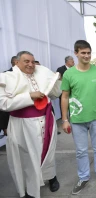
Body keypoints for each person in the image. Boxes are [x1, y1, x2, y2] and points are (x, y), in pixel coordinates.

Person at [0, 51, 61, 198]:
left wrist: (54, 83)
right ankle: (29, 190)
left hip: (46, 119)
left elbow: (54, 94)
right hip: (23, 124)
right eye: (26, 61)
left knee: (48, 152)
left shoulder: (41, 72)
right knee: (27, 157)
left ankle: (51, 176)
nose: (31, 64)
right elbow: (3, 103)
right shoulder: (6, 78)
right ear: (17, 63)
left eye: (33, 61)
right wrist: (29, 96)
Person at [61, 40, 96, 195]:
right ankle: (83, 177)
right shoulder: (69, 73)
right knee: (81, 151)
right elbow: (64, 97)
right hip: (77, 120)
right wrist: (64, 119)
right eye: (83, 53)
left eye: (89, 52)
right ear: (76, 53)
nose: (86, 55)